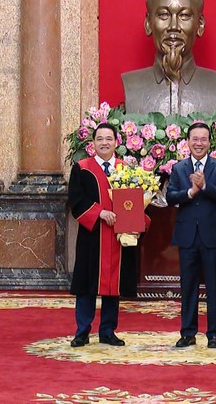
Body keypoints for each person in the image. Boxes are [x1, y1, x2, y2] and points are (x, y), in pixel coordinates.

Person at [67, 122, 148, 347]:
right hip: (92, 237)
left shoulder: (127, 169)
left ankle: (108, 331)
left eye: (109, 139)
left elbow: (138, 201)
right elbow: (76, 201)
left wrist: (137, 222)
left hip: (119, 237)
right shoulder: (82, 168)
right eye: (100, 139)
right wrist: (99, 212)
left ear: (116, 142)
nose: (104, 143)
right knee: (87, 285)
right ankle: (82, 332)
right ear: (93, 143)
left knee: (114, 285)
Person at [166, 122, 216, 349]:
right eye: (195, 139)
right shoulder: (179, 168)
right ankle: (188, 333)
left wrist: (204, 187)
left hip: (214, 237)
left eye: (203, 139)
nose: (199, 143)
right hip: (187, 237)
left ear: (210, 142)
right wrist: (190, 192)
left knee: (214, 287)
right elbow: (170, 197)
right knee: (188, 287)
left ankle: (214, 334)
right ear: (187, 142)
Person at [122, 0, 216, 115]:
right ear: (148, 23)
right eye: (164, 15)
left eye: (184, 16)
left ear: (200, 24)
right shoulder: (132, 84)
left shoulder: (215, 84)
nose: (174, 26)